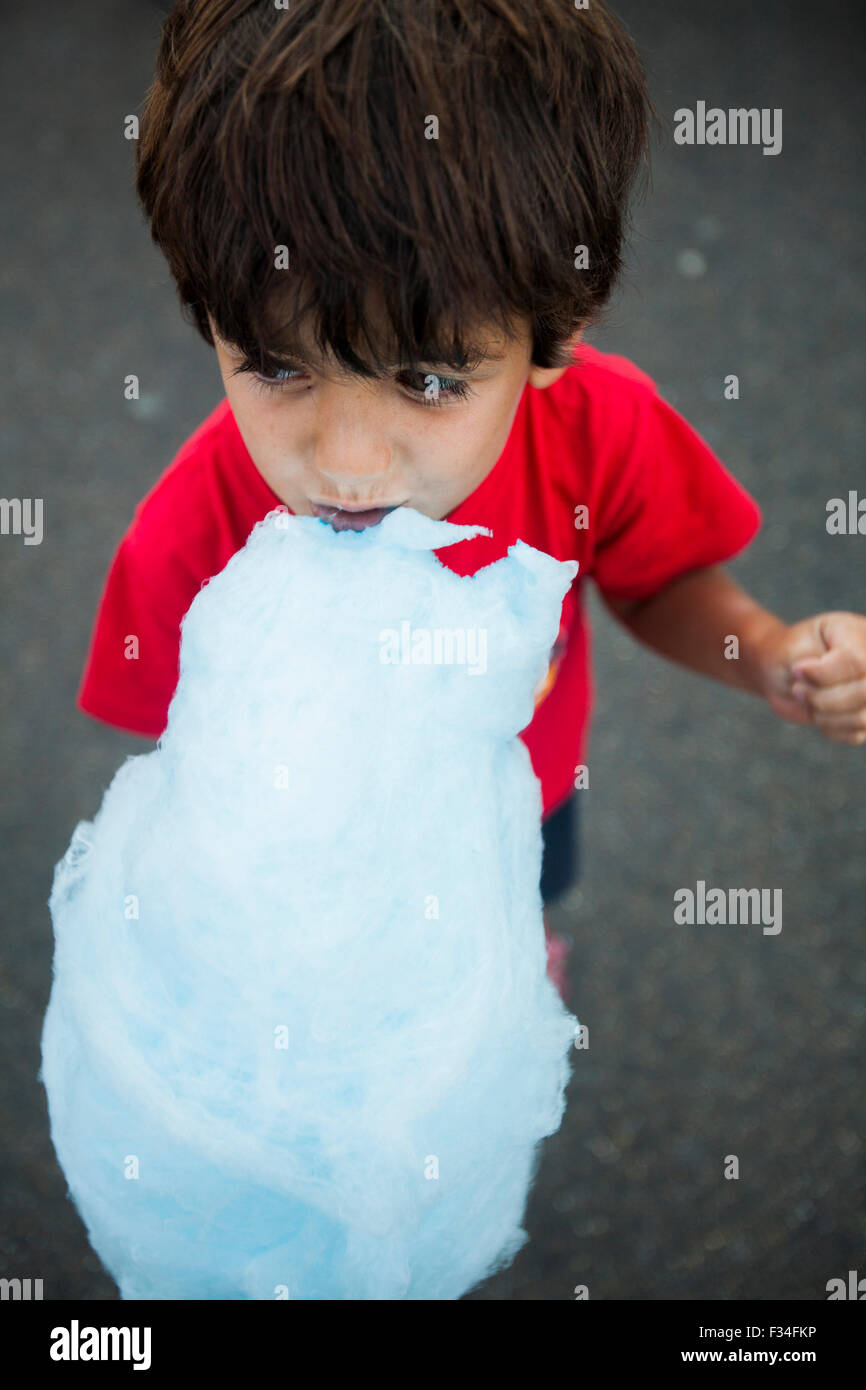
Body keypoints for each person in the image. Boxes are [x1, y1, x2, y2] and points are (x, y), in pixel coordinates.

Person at [78, 0, 866, 1009]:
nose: (346, 465)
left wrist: (767, 652)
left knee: (507, 919)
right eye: (277, 365)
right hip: (311, 848)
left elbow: (659, 577)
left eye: (428, 382)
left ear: (555, 331)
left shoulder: (597, 435)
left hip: (518, 802)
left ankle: (507, 959)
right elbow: (175, 739)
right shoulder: (199, 519)